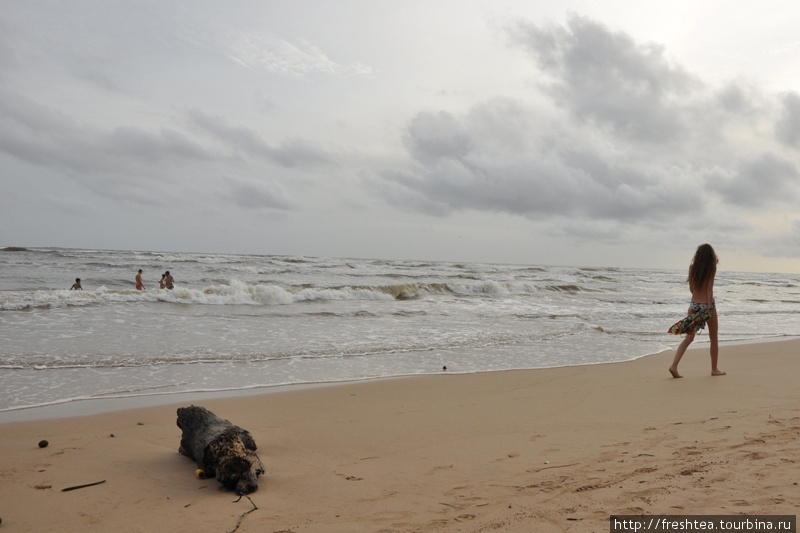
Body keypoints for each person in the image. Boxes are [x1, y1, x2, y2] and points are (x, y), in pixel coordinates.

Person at [669, 244, 725, 378]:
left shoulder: (692, 267)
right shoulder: (711, 268)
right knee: (713, 337)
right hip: (707, 305)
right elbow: (709, 290)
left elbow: (692, 289)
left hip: (693, 305)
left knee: (689, 337)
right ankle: (714, 369)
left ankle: (674, 366)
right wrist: (710, 308)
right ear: (711, 256)